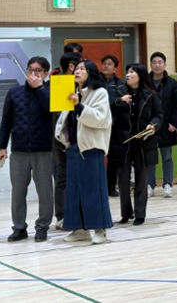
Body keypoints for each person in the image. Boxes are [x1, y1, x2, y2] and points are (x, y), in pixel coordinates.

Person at [55, 60, 113, 245]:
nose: (77, 71)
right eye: (76, 69)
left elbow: (100, 119)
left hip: (91, 148)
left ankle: (100, 229)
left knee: (94, 191)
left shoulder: (100, 93)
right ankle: (79, 229)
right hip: (73, 148)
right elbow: (64, 120)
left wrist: (79, 106)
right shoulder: (72, 92)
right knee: (74, 191)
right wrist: (65, 140)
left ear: (91, 72)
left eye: (82, 69)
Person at [0, 57, 53, 242]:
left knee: (45, 191)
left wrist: (40, 88)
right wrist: (2, 146)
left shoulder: (50, 92)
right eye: (30, 70)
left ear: (45, 73)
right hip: (19, 150)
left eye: (38, 71)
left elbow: (51, 109)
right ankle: (19, 227)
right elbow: (6, 121)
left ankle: (42, 227)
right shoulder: (14, 93)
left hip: (43, 149)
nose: (32, 74)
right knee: (18, 192)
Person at [114, 64, 162, 226]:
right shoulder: (119, 92)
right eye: (127, 72)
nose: (128, 75)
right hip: (123, 142)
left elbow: (159, 115)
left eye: (132, 72)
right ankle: (126, 212)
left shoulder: (151, 95)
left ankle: (140, 214)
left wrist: (153, 125)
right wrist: (119, 102)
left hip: (143, 142)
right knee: (123, 179)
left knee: (142, 178)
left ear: (140, 76)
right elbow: (110, 110)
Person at [52, 52, 82, 231]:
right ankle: (62, 215)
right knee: (63, 177)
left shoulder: (81, 85)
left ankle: (76, 214)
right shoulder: (59, 84)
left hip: (81, 139)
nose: (81, 70)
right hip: (64, 141)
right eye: (80, 66)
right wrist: (65, 140)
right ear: (71, 67)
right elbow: (59, 118)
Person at [148, 52, 177, 198]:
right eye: (154, 62)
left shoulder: (172, 84)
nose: (157, 65)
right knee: (150, 157)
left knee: (167, 157)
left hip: (167, 126)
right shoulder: (145, 83)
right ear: (150, 65)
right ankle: (149, 185)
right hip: (149, 127)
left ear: (165, 65)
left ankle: (168, 184)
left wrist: (174, 123)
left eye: (160, 62)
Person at [101, 54, 124, 198]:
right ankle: (100, 185)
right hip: (98, 123)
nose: (105, 66)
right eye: (104, 63)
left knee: (113, 158)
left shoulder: (121, 84)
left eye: (109, 64)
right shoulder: (94, 81)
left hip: (115, 124)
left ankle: (111, 185)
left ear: (115, 68)